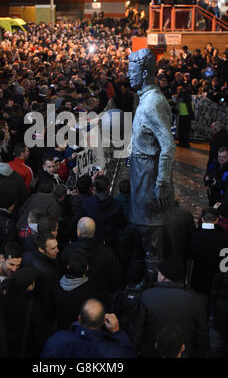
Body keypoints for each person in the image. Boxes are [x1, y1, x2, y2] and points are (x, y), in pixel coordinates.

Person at [127, 48, 176, 276]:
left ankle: (154, 283)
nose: (128, 75)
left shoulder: (153, 102)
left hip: (150, 177)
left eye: (131, 70)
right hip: (142, 173)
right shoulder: (145, 98)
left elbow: (168, 145)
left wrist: (162, 183)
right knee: (146, 233)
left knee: (152, 236)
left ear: (145, 71)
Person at [130, 257, 209, 358]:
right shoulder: (195, 300)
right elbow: (202, 336)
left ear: (163, 277)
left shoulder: (146, 296)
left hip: (152, 353)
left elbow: (136, 333)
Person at [41, 298, 136, 358]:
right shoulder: (114, 351)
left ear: (79, 318)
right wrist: (117, 332)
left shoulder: (57, 339)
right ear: (104, 321)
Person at [62, 217, 122, 307]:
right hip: (100, 299)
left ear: (78, 232)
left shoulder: (68, 251)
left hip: (75, 298)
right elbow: (116, 278)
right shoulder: (107, 252)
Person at [0, 266, 49, 358]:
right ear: (29, 286)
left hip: (4, 346)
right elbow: (39, 332)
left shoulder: (2, 297)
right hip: (24, 348)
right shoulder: (32, 305)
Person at [50, 250, 98, 330]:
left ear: (68, 266)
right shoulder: (90, 292)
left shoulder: (56, 285)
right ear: (87, 268)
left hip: (61, 327)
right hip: (78, 330)